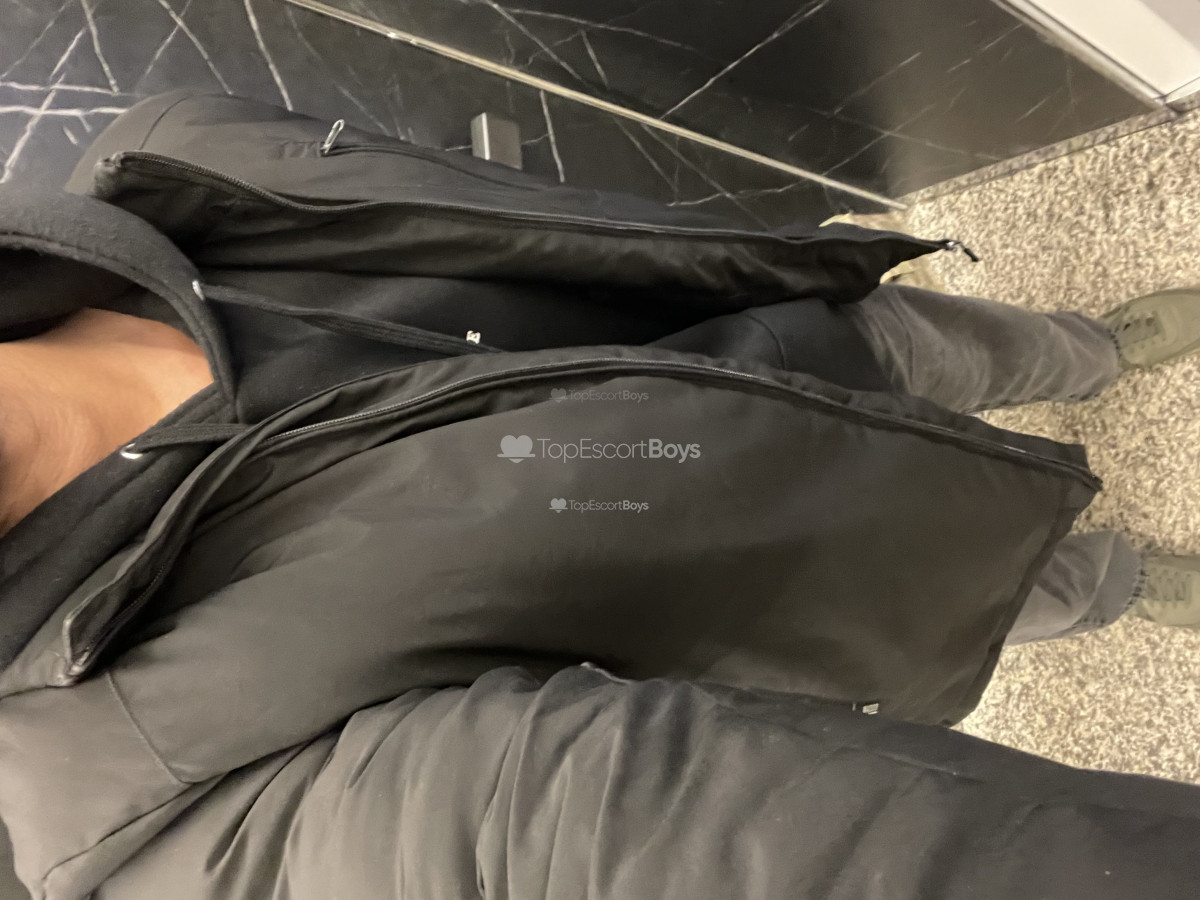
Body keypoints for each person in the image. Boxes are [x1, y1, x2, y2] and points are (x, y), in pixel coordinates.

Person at [0, 91, 1197, 900]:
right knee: (976, 578)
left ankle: (1088, 350)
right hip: (785, 556)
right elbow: (568, 835)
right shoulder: (141, 794)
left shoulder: (154, 165)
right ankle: (1116, 584)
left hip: (764, 328)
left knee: (955, 347)